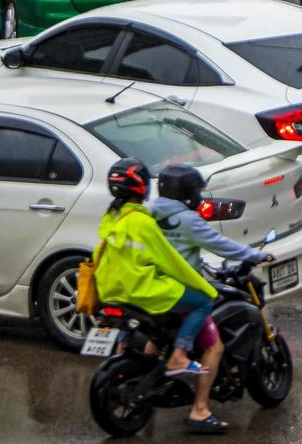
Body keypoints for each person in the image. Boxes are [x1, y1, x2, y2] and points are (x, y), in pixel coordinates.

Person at [95, 158, 229, 435]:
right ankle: (181, 358)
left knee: (153, 325)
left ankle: (125, 352)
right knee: (202, 301)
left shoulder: (112, 217)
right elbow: (171, 262)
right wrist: (206, 288)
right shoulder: (142, 222)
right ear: (142, 188)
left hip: (112, 290)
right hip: (142, 291)